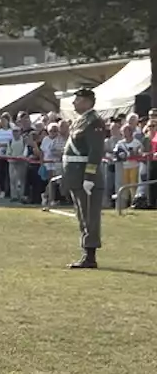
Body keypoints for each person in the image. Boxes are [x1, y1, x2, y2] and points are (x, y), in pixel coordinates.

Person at [61, 87, 105, 268]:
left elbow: (96, 151)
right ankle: (86, 252)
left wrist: (89, 176)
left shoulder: (94, 122)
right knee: (82, 216)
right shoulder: (81, 120)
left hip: (86, 177)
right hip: (75, 175)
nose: (74, 103)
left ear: (87, 101)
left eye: (77, 99)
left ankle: (90, 255)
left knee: (89, 217)